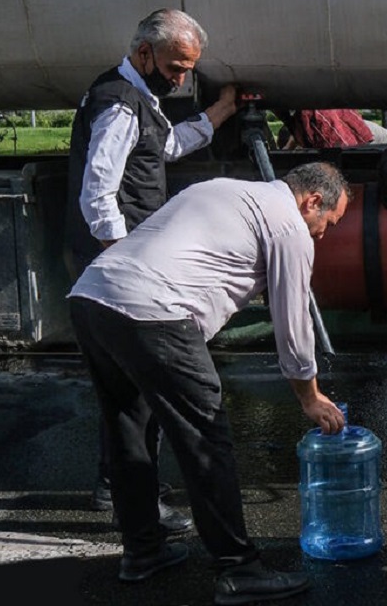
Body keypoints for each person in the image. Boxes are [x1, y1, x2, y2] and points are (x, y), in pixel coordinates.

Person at [68, 161, 350, 603]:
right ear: (311, 201)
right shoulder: (288, 226)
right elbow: (293, 323)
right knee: (205, 437)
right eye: (328, 223)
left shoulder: (226, 188)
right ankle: (239, 569)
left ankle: (142, 551)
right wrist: (309, 396)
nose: (323, 235)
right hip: (154, 310)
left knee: (130, 428)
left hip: (93, 295)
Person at [65, 8, 242, 532]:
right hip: (122, 270)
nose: (181, 78)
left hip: (121, 267)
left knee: (131, 391)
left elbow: (162, 148)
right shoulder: (120, 105)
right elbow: (98, 193)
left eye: (189, 68)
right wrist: (126, 263)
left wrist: (219, 114)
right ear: (144, 53)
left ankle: (123, 488)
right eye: (175, 66)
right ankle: (128, 499)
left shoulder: (135, 97)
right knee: (137, 392)